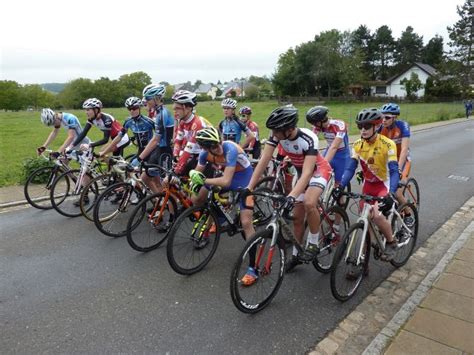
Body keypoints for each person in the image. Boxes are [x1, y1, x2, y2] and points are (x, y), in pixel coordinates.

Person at [246, 105, 332, 273]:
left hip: (318, 171)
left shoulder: (308, 138)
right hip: (301, 173)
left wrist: (291, 196)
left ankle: (313, 242)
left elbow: (308, 173)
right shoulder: (277, 133)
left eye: (277, 131)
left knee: (309, 203)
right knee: (297, 218)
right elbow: (264, 160)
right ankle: (295, 255)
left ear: (289, 128)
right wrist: (249, 187)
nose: (274, 134)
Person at [332, 108, 400, 268]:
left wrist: (390, 194)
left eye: (367, 126)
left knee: (376, 216)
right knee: (364, 220)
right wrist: (341, 185)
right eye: (360, 126)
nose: (363, 130)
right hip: (368, 186)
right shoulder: (357, 144)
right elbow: (350, 168)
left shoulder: (387, 144)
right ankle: (362, 259)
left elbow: (394, 171)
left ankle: (391, 242)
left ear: (376, 126)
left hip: (384, 184)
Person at [188, 127, 255, 268]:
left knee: (246, 222)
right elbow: (196, 174)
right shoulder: (203, 154)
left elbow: (226, 181)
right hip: (228, 174)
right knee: (198, 197)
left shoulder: (230, 149)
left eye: (218, 143)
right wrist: (193, 183)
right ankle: (213, 221)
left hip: (244, 177)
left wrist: (202, 181)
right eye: (213, 146)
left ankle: (253, 267)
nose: (218, 148)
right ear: (204, 148)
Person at [134, 84, 174, 193]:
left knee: (166, 186)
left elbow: (156, 139)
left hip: (165, 152)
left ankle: (171, 208)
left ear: (157, 98)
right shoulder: (157, 112)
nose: (145, 101)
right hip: (158, 150)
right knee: (145, 178)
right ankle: (159, 202)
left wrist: (139, 158)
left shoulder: (162, 114)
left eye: (148, 98)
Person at [378, 103, 413, 222]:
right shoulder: (380, 128)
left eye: (387, 117)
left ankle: (408, 215)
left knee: (397, 192)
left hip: (402, 160)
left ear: (394, 117)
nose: (384, 120)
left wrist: (397, 169)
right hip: (388, 160)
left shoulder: (403, 126)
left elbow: (404, 150)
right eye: (382, 117)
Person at [171, 90, 213, 177]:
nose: (175, 112)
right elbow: (178, 141)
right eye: (174, 108)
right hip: (195, 155)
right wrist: (175, 156)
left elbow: (189, 148)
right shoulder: (182, 122)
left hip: (208, 157)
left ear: (188, 108)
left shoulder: (197, 123)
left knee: (189, 184)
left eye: (178, 108)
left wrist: (178, 168)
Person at [306, 106, 350, 189]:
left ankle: (341, 199)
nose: (313, 125)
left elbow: (334, 146)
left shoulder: (339, 125)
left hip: (342, 155)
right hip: (328, 150)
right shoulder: (318, 126)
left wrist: (324, 164)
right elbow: (311, 141)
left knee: (338, 186)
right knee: (317, 174)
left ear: (320, 121)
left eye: (314, 123)